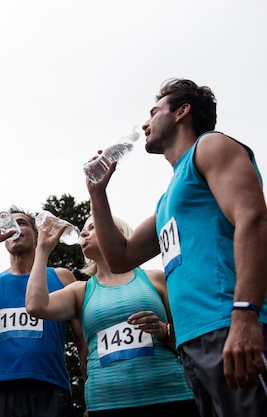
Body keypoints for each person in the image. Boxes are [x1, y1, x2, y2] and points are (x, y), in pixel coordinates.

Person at [86, 78, 267, 417]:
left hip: (230, 324)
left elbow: (254, 220)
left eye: (154, 112)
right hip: (191, 342)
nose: (145, 123)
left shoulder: (211, 147)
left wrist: (245, 314)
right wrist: (98, 194)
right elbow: (120, 257)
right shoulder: (169, 198)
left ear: (182, 112)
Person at [26, 215, 199, 417]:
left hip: (171, 396)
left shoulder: (155, 279)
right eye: (83, 229)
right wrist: (43, 250)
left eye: (92, 226)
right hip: (106, 403)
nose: (83, 233)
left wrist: (163, 330)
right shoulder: (80, 291)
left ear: (118, 232)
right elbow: (35, 305)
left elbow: (190, 336)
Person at [0, 206, 86, 417]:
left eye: (22, 223)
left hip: (50, 389)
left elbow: (82, 340)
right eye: (10, 224)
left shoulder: (61, 277)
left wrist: (90, 392)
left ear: (37, 236)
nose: (15, 228)